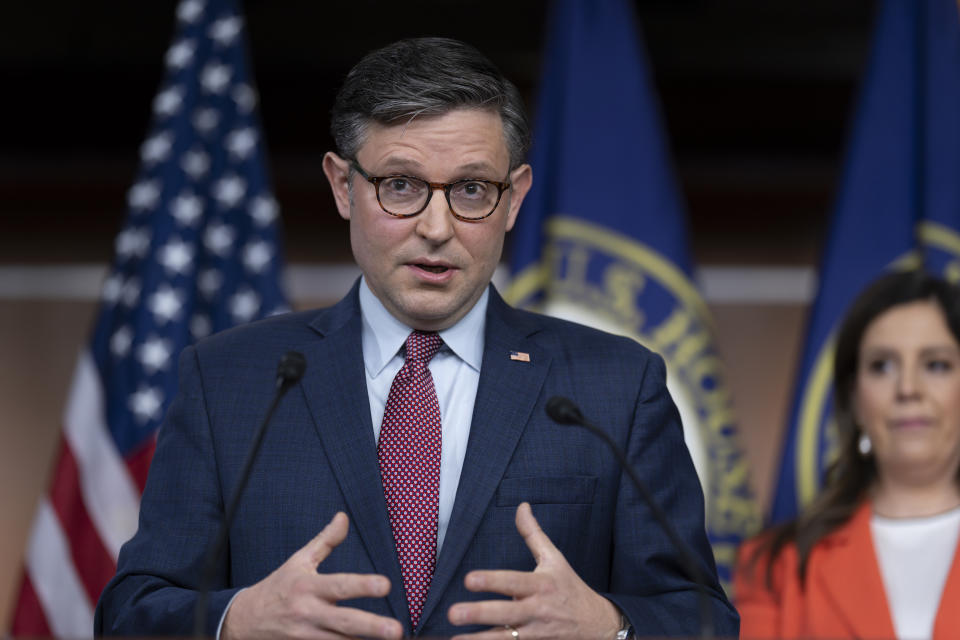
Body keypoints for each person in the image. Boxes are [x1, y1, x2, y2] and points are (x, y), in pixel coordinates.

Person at [96, 37, 737, 639]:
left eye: (471, 190)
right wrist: (235, 618)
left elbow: (704, 617)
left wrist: (607, 624)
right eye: (400, 186)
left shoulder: (615, 388)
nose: (436, 227)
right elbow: (129, 611)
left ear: (513, 200)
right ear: (343, 185)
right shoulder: (230, 379)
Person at [735, 270, 960, 639]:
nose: (907, 388)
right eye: (882, 366)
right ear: (854, 399)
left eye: (935, 364)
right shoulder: (775, 566)